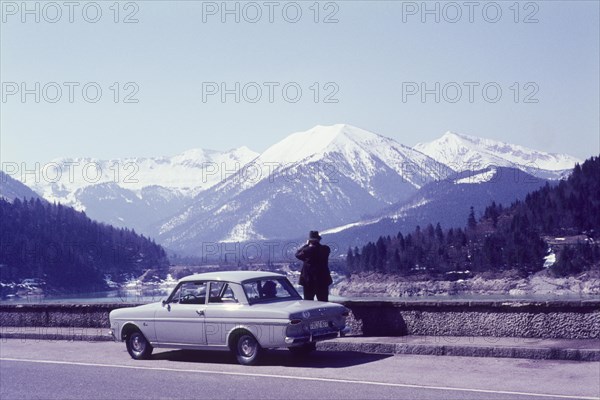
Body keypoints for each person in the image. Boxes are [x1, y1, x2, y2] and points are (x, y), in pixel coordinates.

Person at [295, 230, 332, 301]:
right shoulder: (325, 249)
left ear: (310, 240)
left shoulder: (307, 250)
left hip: (309, 281)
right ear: (318, 240)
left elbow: (297, 254)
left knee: (308, 302)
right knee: (323, 301)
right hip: (323, 280)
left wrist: (306, 245)